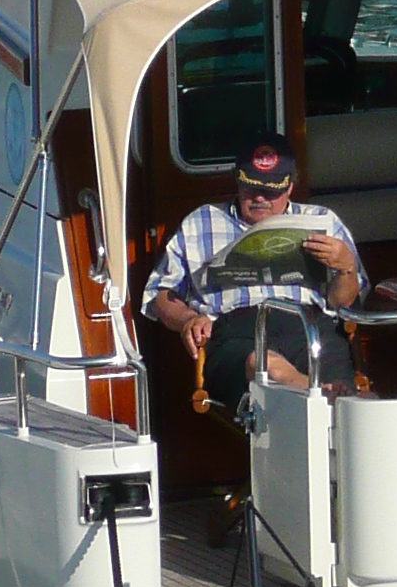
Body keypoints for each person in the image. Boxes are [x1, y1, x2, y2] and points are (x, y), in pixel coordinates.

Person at [144, 133, 367, 408]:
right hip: (237, 332)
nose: (260, 198)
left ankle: (337, 403)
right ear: (237, 180)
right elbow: (161, 295)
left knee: (353, 401)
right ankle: (320, 396)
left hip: (309, 328)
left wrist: (346, 268)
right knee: (267, 367)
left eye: (271, 190)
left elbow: (343, 303)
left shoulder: (322, 221)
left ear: (290, 187)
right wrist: (189, 319)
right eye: (250, 188)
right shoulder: (201, 221)